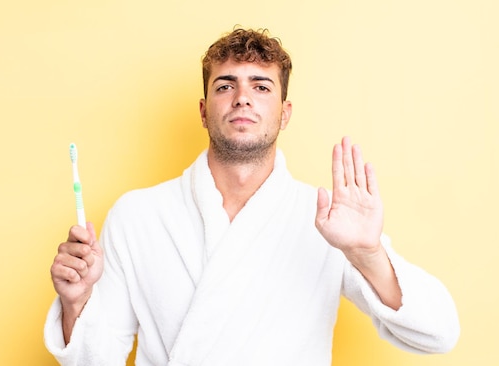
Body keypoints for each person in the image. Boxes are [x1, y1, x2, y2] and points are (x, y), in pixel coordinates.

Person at [45, 28, 459, 365]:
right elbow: (92, 362)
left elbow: (438, 334)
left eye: (261, 87)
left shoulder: (330, 222)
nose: (242, 96)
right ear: (204, 110)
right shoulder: (137, 216)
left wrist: (367, 253)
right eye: (226, 85)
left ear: (285, 112)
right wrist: (75, 304)